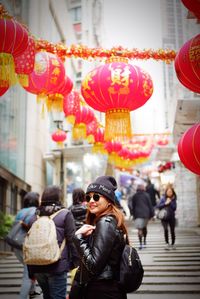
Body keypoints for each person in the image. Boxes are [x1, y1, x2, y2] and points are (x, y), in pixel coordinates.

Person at [70, 175, 129, 299]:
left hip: (102, 290)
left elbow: (93, 265)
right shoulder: (107, 221)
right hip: (106, 288)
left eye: (96, 196)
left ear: (108, 201)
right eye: (88, 197)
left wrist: (78, 237)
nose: (91, 200)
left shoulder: (105, 222)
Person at [27, 185, 79, 299]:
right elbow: (72, 239)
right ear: (58, 197)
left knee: (47, 296)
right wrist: (75, 262)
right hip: (57, 265)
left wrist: (30, 270)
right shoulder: (65, 214)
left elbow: (29, 243)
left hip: (37, 266)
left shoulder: (34, 216)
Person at [13, 191, 41, 299]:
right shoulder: (35, 211)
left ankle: (32, 291)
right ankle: (22, 296)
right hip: (28, 246)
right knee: (27, 274)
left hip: (17, 245)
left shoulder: (20, 212)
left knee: (29, 269)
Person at [130, 183, 154, 250]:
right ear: (143, 189)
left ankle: (140, 244)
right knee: (144, 227)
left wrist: (132, 214)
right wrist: (152, 215)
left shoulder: (134, 196)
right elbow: (150, 205)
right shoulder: (147, 195)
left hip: (137, 214)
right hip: (146, 214)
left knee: (139, 229)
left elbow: (133, 206)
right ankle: (144, 241)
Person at [156, 185, 177, 250]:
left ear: (173, 192)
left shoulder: (173, 199)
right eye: (168, 191)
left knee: (172, 230)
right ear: (166, 192)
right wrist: (165, 203)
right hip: (164, 217)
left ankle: (173, 243)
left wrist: (170, 202)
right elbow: (158, 206)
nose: (169, 193)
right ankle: (167, 243)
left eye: (171, 192)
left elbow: (174, 208)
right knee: (166, 229)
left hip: (171, 217)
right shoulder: (163, 198)